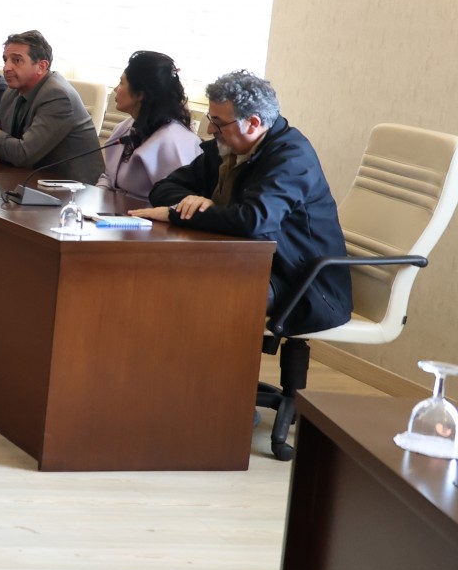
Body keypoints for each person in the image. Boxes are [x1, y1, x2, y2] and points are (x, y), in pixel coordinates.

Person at [136, 71, 350, 454]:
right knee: (166, 281)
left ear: (252, 123)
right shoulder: (229, 149)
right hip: (253, 266)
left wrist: (182, 214)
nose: (210, 130)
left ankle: (226, 407)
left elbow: (254, 220)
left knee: (210, 296)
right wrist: (190, 202)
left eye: (218, 123)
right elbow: (164, 187)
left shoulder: (291, 157)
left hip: (303, 282)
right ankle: (170, 393)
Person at [0, 30, 102, 181]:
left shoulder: (58, 96)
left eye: (17, 60)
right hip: (29, 180)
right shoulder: (12, 91)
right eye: (5, 60)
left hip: (72, 188)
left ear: (41, 66)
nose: (7, 68)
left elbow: (24, 155)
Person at [99, 51, 203, 201]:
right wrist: (95, 199)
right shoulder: (125, 127)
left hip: (148, 214)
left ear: (140, 94)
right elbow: (108, 178)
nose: (115, 89)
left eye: (121, 83)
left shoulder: (173, 141)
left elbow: (179, 201)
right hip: (113, 210)